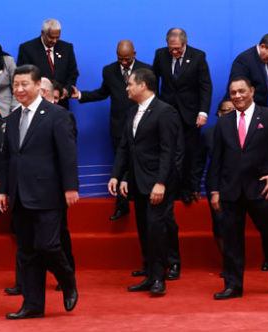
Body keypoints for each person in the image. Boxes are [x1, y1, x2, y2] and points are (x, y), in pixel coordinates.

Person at [0, 64, 78, 319]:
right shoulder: (11, 119)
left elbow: (67, 154)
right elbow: (8, 157)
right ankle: (32, 305)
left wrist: (70, 187)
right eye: (16, 85)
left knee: (47, 244)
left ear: (38, 87)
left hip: (48, 193)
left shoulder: (56, 115)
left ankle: (67, 279)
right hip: (20, 194)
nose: (19, 89)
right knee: (26, 251)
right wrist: (4, 190)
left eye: (24, 84)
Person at [209, 77, 268, 299]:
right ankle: (233, 285)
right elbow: (216, 159)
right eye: (233, 92)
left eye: (242, 91)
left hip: (262, 190)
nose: (237, 96)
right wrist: (215, 190)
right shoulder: (223, 122)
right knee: (232, 239)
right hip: (231, 190)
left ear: (252, 91)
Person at [108, 68, 180, 296]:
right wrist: (118, 176)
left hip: (158, 184)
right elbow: (126, 148)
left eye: (130, 84)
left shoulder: (165, 112)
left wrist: (161, 182)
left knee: (156, 230)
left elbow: (168, 151)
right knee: (144, 230)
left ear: (143, 85)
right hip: (137, 183)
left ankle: (159, 279)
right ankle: (149, 275)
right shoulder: (131, 112)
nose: (126, 88)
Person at [71, 40, 151, 220]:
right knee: (121, 163)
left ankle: (139, 202)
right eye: (120, 58)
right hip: (118, 126)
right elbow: (103, 92)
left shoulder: (147, 70)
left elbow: (152, 98)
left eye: (127, 59)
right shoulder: (109, 70)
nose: (123, 62)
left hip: (141, 125)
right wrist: (81, 95)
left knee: (139, 164)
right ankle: (122, 207)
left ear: (134, 54)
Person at [153, 28, 212, 207]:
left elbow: (205, 86)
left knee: (189, 153)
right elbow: (153, 81)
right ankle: (171, 189)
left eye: (178, 48)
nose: (174, 52)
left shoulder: (198, 56)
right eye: (171, 48)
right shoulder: (160, 55)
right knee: (167, 151)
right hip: (167, 112)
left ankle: (187, 189)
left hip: (191, 114)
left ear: (185, 43)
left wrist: (203, 112)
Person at [194, 99, 235, 274]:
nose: (228, 113)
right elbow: (199, 160)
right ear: (218, 113)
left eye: (232, 110)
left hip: (236, 182)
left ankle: (235, 259)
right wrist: (195, 184)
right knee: (219, 223)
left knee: (234, 223)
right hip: (215, 182)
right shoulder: (209, 133)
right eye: (224, 110)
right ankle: (227, 262)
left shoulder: (243, 131)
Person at [17, 18, 78, 109]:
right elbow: (23, 77)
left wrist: (66, 90)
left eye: (57, 37)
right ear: (43, 33)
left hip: (61, 104)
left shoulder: (66, 48)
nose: (54, 41)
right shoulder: (27, 49)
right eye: (51, 37)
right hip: (37, 103)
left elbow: (73, 73)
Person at [227, 33, 268, 107]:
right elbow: (236, 88)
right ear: (262, 47)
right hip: (246, 109)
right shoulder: (244, 60)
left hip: (262, 109)